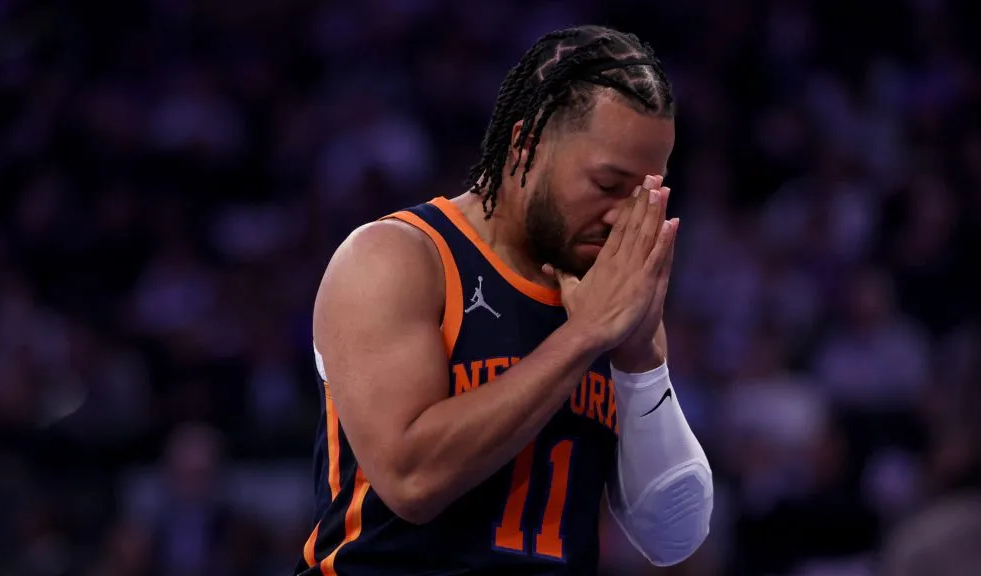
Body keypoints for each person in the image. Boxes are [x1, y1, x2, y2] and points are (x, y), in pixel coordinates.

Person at [296, 25, 713, 576]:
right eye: (608, 185)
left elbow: (673, 535)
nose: (622, 216)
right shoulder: (397, 259)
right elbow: (411, 479)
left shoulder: (604, 289)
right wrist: (582, 338)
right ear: (525, 145)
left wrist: (640, 361)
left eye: (644, 193)